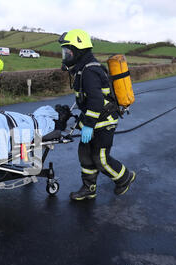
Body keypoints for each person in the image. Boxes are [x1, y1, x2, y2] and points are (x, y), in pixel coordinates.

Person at [58, 29, 136, 200]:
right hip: (93, 121)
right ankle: (89, 188)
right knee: (85, 155)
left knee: (100, 158)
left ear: (79, 50)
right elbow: (85, 100)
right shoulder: (82, 68)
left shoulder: (90, 71)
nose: (65, 55)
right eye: (64, 52)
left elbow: (96, 101)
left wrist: (88, 126)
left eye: (68, 52)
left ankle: (125, 177)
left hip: (103, 121)